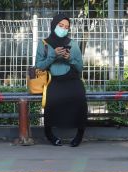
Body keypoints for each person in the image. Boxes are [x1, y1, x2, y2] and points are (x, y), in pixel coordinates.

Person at [35, 14, 88, 147]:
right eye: (61, 25)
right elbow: (39, 66)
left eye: (66, 27)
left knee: (80, 98)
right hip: (54, 80)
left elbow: (80, 67)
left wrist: (69, 58)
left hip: (72, 79)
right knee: (52, 102)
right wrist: (53, 55)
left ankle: (79, 135)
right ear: (54, 25)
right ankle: (49, 134)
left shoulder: (73, 44)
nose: (63, 29)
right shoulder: (44, 44)